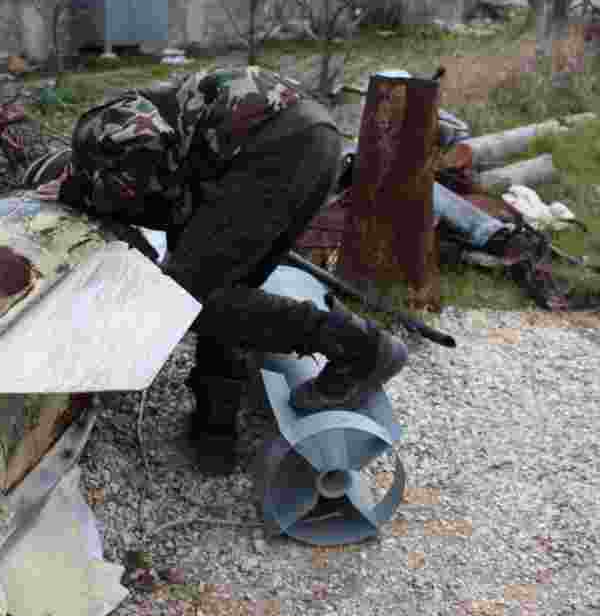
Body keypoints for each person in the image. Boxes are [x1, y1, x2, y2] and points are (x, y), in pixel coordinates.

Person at [29, 66, 409, 476]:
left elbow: (158, 196)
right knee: (223, 288)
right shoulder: (124, 140)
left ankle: (361, 347)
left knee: (188, 299)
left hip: (274, 147)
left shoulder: (113, 139)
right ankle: (216, 430)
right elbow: (177, 217)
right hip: (308, 141)